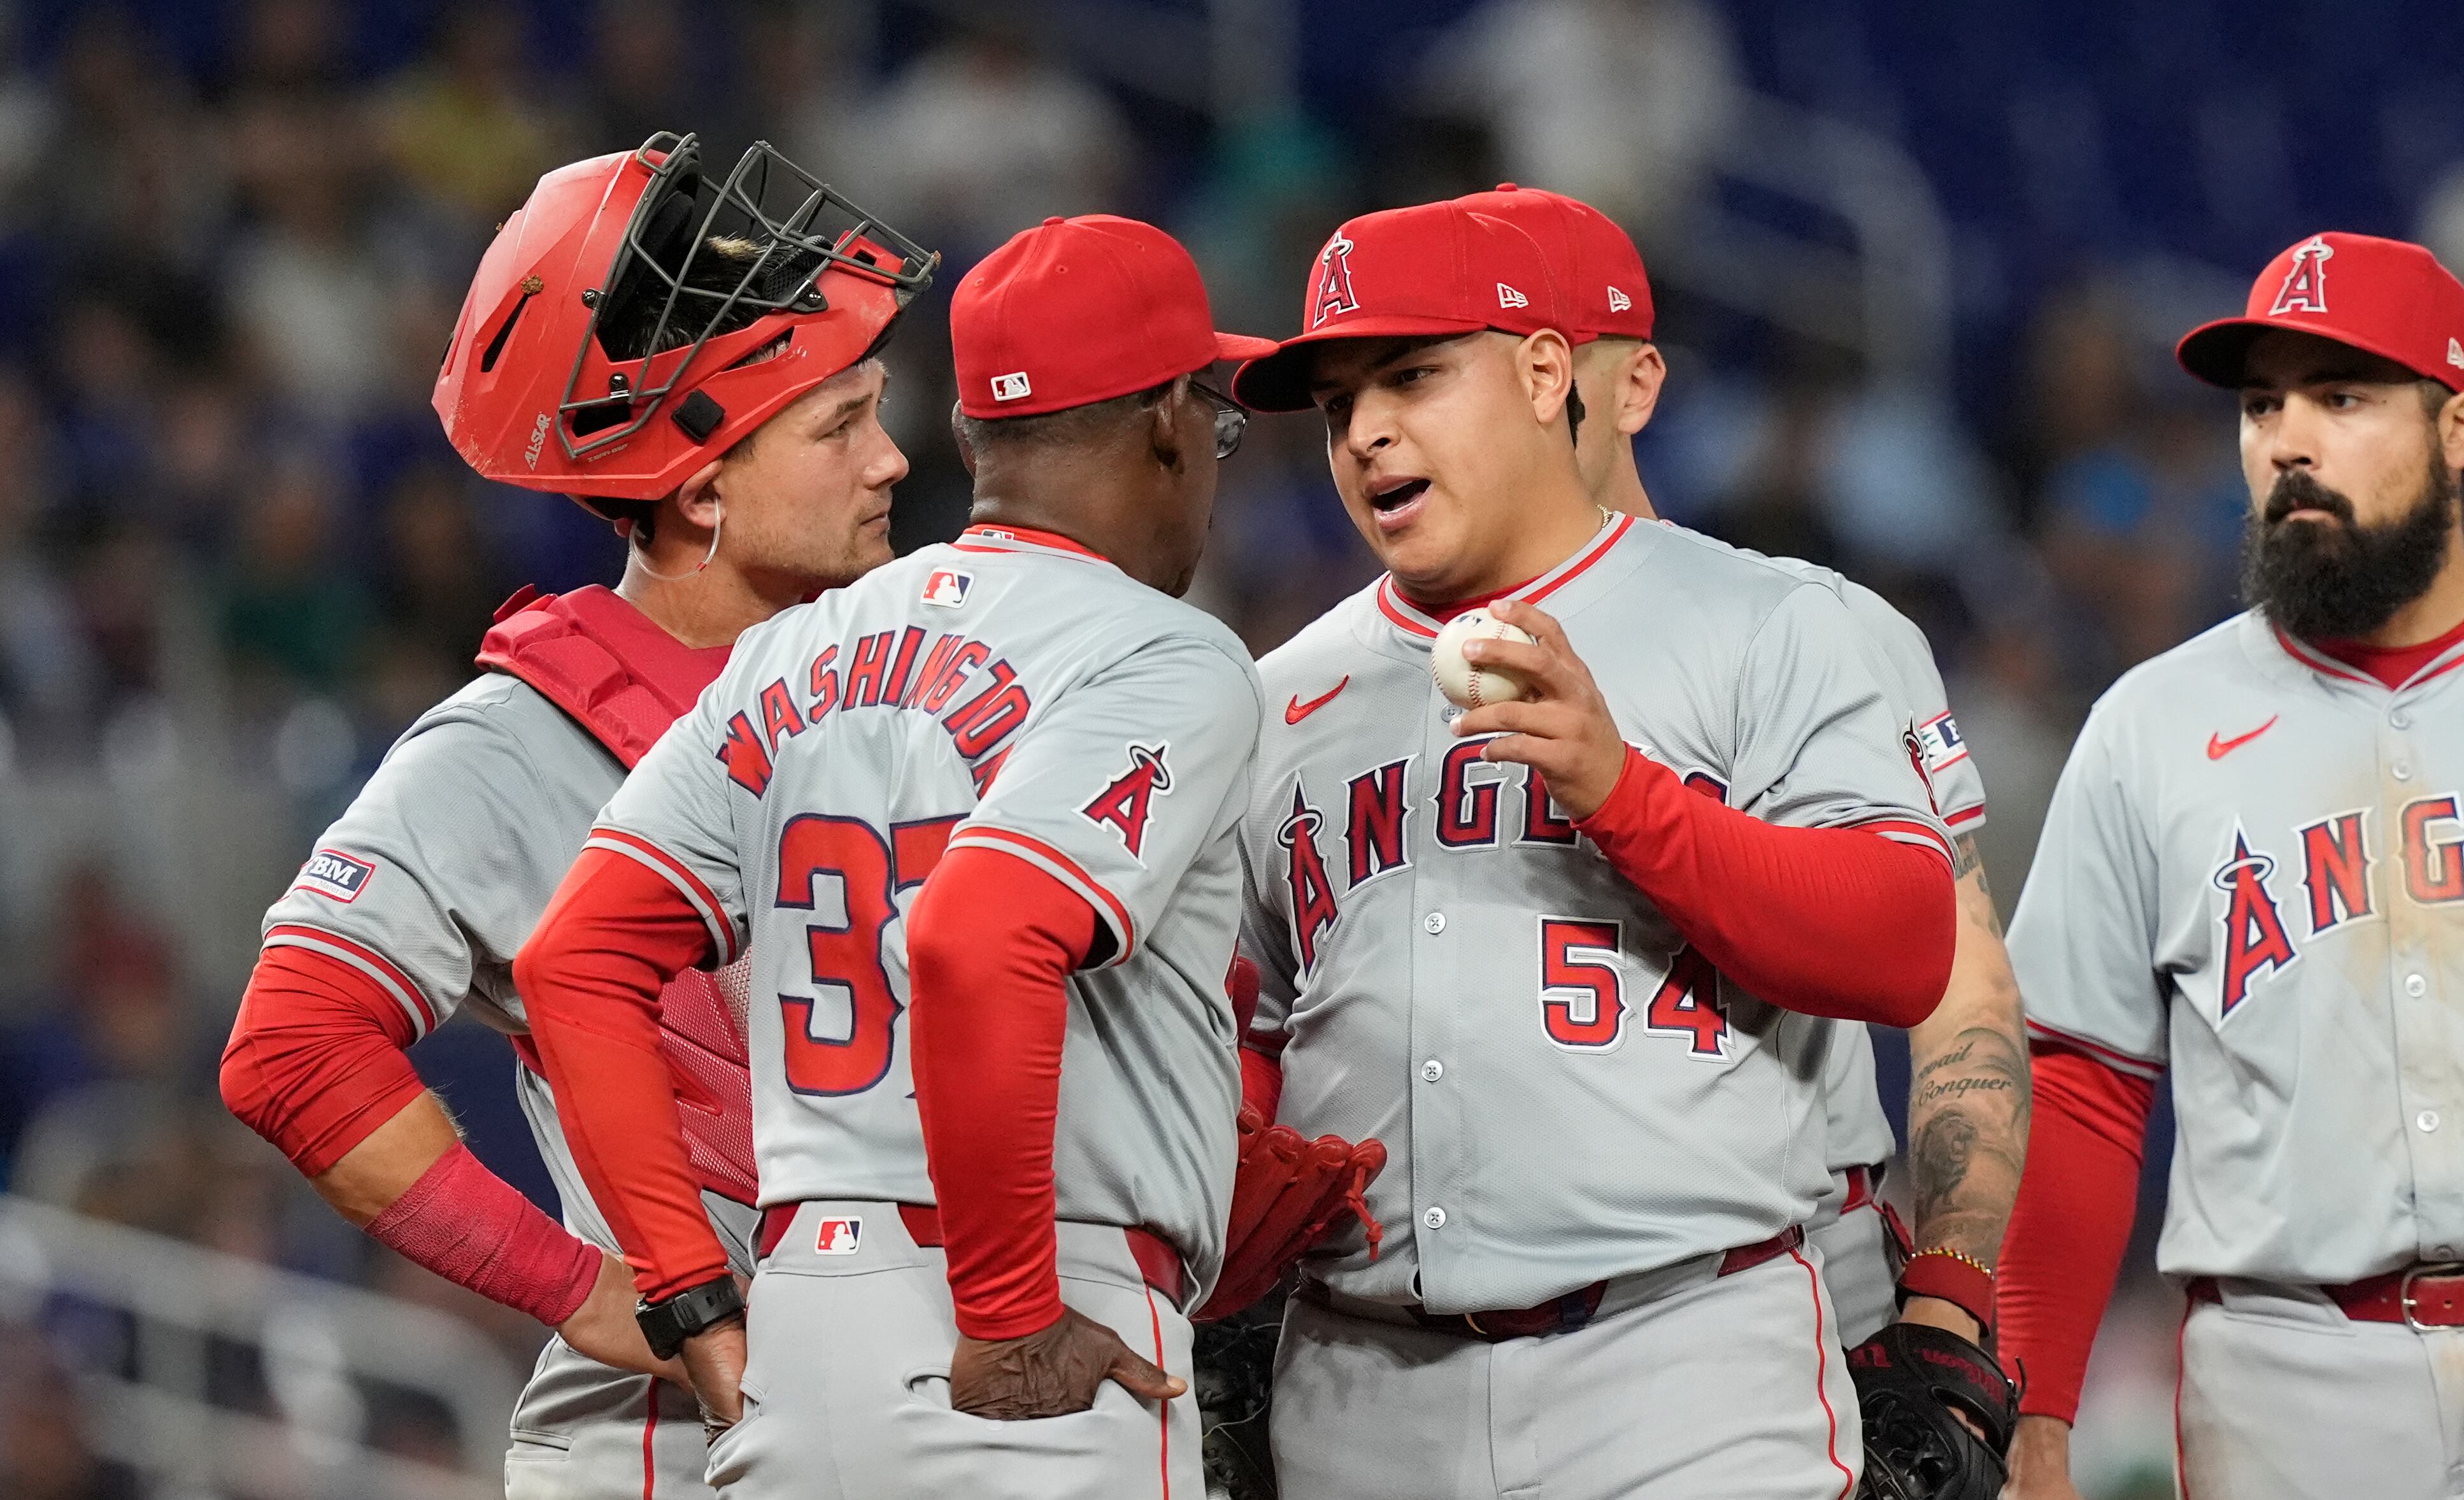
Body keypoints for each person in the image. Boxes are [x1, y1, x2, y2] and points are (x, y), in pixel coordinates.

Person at [217, 131, 936, 1499]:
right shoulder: (524, 737)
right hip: (676, 1448)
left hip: (916, 1415)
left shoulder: (907, 674)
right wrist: (597, 1291)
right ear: (702, 482)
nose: (892, 459)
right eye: (840, 423)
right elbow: (293, 1047)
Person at [511, 213, 1272, 1499]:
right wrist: (1011, 1307)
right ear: (1167, 420)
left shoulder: (794, 646)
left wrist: (693, 1299)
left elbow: (571, 958)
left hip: (800, 1325)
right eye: (1217, 419)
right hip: (1038, 1303)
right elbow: (978, 934)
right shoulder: (1164, 650)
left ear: (973, 436)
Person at [1228, 198, 1959, 1499]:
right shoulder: (1281, 693)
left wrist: (1627, 794)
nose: (1366, 431)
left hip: (1678, 1364)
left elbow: (1903, 944)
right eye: (1338, 402)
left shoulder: (1760, 623)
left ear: (1546, 370)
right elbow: (1250, 1034)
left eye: (1411, 374)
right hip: (1358, 1386)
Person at [1998, 232, 2464, 1497]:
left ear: (2459, 423)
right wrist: (2035, 1411)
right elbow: (2082, 1086)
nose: (2286, 441)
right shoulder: (2152, 725)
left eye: (2342, 397)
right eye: (2262, 404)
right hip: (2286, 1378)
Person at [1462, 179, 2029, 1350]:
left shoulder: (1812, 624)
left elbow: (1962, 991)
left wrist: (1955, 1284)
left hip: (1791, 1295)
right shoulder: (1352, 667)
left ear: (1636, 384)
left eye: (1555, 356)